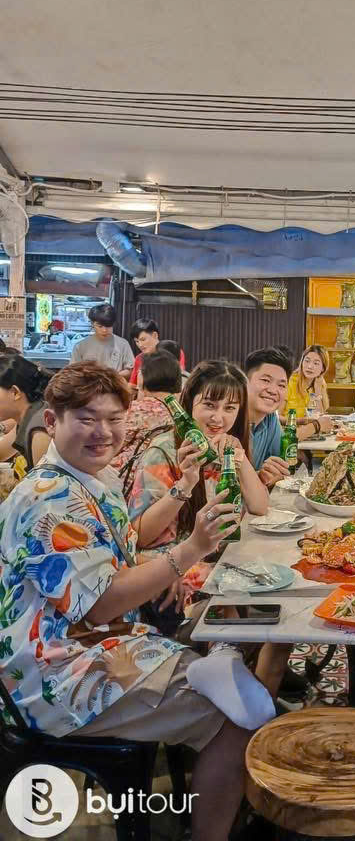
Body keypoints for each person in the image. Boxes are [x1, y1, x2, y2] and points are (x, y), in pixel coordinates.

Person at [0, 361, 272, 841]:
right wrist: (190, 551)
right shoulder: (49, 499)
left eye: (113, 419)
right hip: (56, 672)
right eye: (86, 418)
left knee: (232, 637)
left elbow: (128, 546)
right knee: (236, 723)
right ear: (52, 421)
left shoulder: (90, 479)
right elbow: (100, 604)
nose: (103, 432)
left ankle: (207, 679)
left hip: (102, 641)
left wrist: (184, 490)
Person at [128, 360, 268, 554]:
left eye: (229, 408)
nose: (218, 418)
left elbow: (259, 507)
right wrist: (186, 483)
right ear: (189, 403)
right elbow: (141, 536)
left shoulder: (229, 445)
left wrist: (241, 459)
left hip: (220, 557)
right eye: (209, 405)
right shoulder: (164, 450)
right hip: (174, 562)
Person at [244, 348, 333, 487]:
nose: (273, 390)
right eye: (265, 380)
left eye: (281, 385)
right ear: (245, 381)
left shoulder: (270, 418)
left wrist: (271, 475)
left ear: (323, 369)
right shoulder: (228, 420)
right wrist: (315, 425)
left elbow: (280, 463)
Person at [111, 349, 180, 480]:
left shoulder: (138, 409)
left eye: (140, 371)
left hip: (132, 480)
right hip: (167, 478)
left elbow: (112, 446)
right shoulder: (181, 410)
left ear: (146, 376)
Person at [0, 354, 52, 470]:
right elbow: (1, 452)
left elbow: (44, 480)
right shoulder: (28, 415)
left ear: (15, 392)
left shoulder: (39, 432)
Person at [71, 303, 134, 377]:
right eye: (100, 326)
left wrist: (112, 377)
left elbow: (130, 370)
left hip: (114, 383)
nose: (104, 330)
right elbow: (73, 372)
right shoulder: (80, 346)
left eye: (108, 326)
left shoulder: (123, 344)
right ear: (92, 323)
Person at [128, 318, 187, 386]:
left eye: (143, 339)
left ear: (155, 335)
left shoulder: (172, 350)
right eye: (137, 341)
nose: (140, 345)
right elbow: (132, 385)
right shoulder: (139, 358)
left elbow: (179, 378)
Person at [283, 344, 330, 419]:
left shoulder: (320, 383)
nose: (310, 366)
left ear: (323, 368)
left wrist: (317, 391)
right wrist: (300, 421)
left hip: (310, 425)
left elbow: (319, 416)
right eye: (307, 361)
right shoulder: (289, 381)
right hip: (288, 426)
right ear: (302, 362)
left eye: (316, 363)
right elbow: (276, 417)